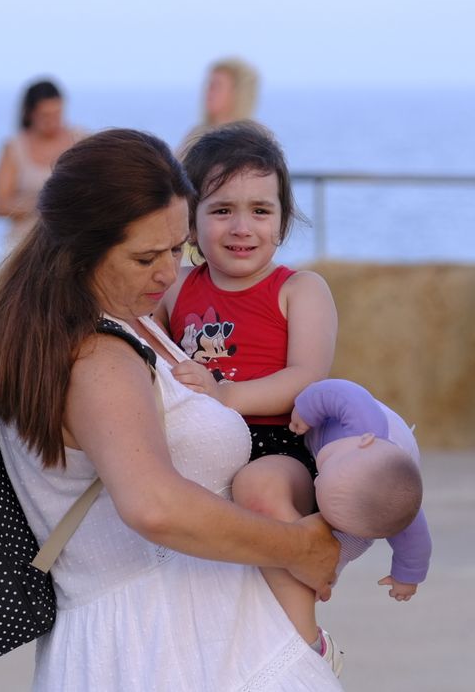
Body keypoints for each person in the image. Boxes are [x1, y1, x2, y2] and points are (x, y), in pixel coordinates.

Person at [0, 128, 343, 691]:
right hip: (164, 646)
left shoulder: (120, 317)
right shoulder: (96, 354)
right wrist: (302, 548)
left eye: (176, 249)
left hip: (178, 637)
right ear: (79, 249)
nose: (170, 274)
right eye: (146, 256)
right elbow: (153, 506)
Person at [158, 120, 341, 667]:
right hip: (199, 440)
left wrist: (227, 395)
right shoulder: (174, 289)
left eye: (260, 211)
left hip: (276, 445)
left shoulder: (298, 290)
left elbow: (308, 376)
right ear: (190, 221)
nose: (242, 227)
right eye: (221, 211)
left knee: (257, 489)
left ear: (282, 221)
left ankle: (306, 646)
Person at [285, 378, 431, 673]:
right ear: (363, 443)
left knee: (349, 539)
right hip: (368, 440)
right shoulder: (362, 421)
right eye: (321, 473)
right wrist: (306, 409)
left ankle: (322, 574)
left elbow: (418, 542)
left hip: (383, 483)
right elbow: (335, 391)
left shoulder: (400, 512)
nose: (315, 478)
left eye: (318, 481)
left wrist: (408, 576)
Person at [0, 78, 85, 247]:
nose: (52, 122)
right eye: (45, 116)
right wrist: (45, 203)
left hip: (70, 240)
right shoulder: (14, 147)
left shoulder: (80, 140)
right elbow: (0, 206)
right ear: (29, 113)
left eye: (57, 114)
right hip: (24, 242)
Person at [179, 56, 261, 155]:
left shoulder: (254, 141)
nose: (208, 91)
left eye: (217, 85)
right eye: (209, 84)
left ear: (238, 93)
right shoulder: (195, 135)